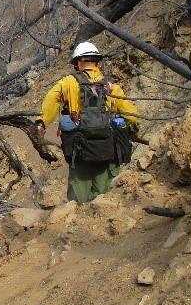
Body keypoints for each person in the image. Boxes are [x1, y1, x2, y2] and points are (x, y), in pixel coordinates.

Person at [35, 41, 139, 204]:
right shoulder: (111, 87)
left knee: (78, 200)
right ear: (97, 62)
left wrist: (42, 122)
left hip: (80, 150)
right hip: (106, 149)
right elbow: (130, 113)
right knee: (105, 196)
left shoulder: (68, 83)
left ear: (77, 63)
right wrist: (135, 128)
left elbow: (51, 100)